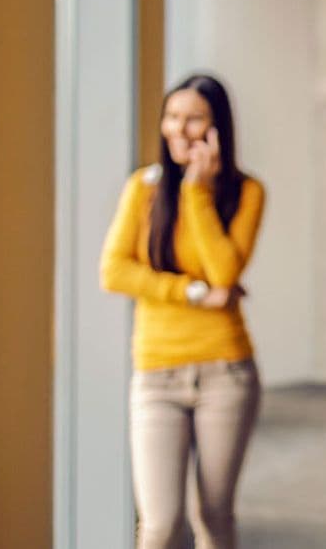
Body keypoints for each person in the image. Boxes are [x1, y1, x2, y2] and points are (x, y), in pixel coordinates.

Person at [101, 73, 266, 549]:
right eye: (172, 116)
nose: (179, 128)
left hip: (226, 375)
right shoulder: (143, 188)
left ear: (218, 130)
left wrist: (198, 191)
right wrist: (191, 293)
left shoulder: (247, 192)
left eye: (194, 119)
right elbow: (114, 272)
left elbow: (225, 272)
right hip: (156, 376)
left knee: (213, 516)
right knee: (160, 524)